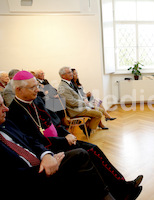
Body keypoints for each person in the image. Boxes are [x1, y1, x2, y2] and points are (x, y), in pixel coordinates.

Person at [7, 70, 143, 199]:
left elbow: (55, 122)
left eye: (37, 86)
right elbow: (35, 139)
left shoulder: (37, 100)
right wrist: (64, 139)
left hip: (61, 138)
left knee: (93, 150)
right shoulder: (14, 111)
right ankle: (121, 190)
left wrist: (67, 134)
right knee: (90, 151)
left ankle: (122, 187)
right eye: (32, 88)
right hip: (50, 147)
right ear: (18, 90)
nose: (37, 90)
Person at [0, 94, 116, 199]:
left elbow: (33, 138)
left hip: (47, 152)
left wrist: (46, 155)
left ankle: (117, 188)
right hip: (35, 173)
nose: (6, 109)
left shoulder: (10, 121)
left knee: (89, 150)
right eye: (0, 106)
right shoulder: (16, 111)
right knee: (83, 153)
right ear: (19, 89)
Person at [58, 66, 108, 133]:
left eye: (71, 72)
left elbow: (79, 96)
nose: (71, 74)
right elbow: (72, 102)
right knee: (98, 114)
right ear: (63, 76)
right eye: (69, 72)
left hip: (80, 106)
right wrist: (85, 103)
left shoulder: (70, 83)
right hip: (75, 110)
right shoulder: (63, 87)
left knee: (101, 110)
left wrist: (85, 100)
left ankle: (86, 126)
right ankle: (88, 129)